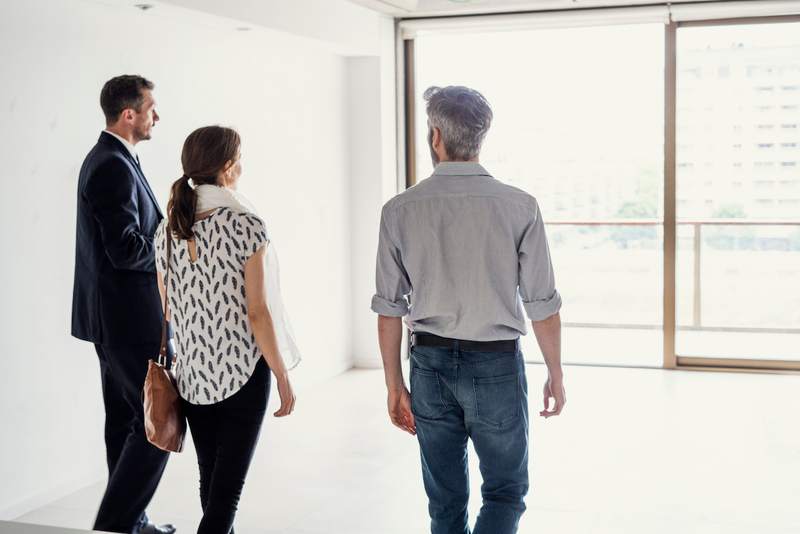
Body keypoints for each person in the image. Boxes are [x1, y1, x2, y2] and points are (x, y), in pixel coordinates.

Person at [372, 85, 565, 534]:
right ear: (480, 138)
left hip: (429, 363)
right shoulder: (520, 206)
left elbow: (387, 307)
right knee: (504, 491)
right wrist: (555, 372)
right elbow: (542, 303)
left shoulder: (398, 210)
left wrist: (394, 384)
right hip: (496, 363)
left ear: (435, 136)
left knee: (444, 499)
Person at [154, 125, 299, 534]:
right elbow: (259, 312)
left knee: (212, 484)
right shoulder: (247, 224)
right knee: (225, 499)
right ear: (229, 167)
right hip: (243, 375)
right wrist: (283, 374)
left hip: (194, 377)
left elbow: (167, 308)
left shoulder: (166, 230)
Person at [71, 75, 174, 534]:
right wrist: (174, 247)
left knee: (126, 422)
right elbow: (126, 248)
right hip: (127, 321)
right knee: (157, 426)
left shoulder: (113, 159)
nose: (158, 116)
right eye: (152, 107)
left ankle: (131, 523)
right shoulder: (111, 165)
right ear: (128, 114)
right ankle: (115, 524)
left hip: (113, 320)